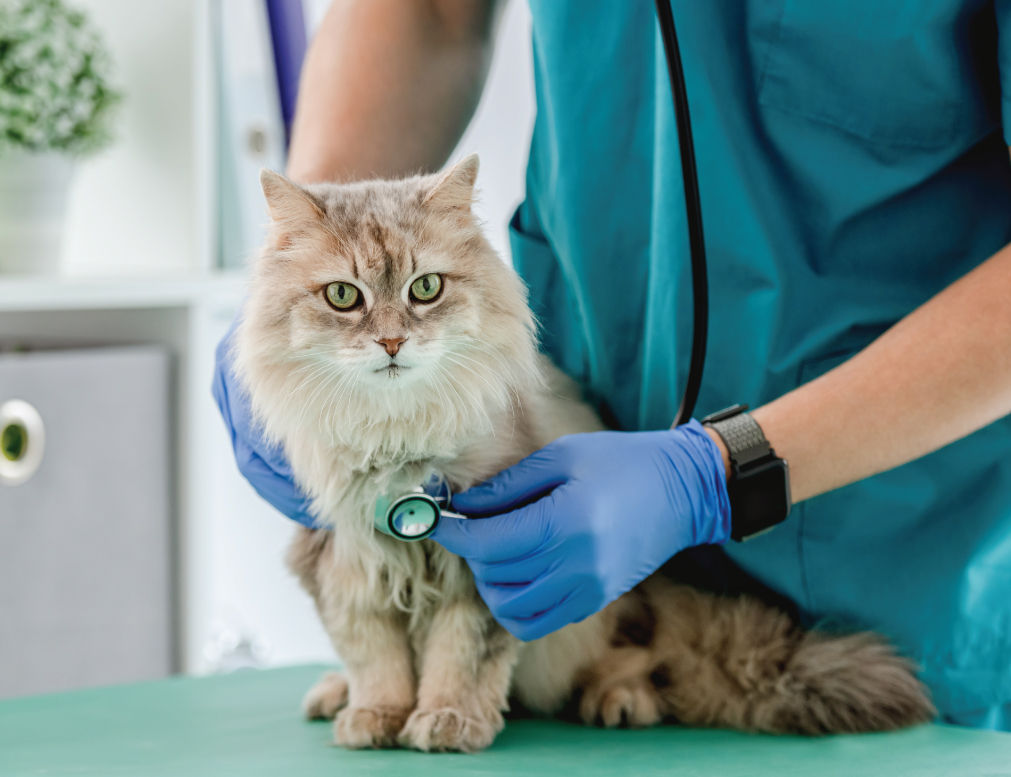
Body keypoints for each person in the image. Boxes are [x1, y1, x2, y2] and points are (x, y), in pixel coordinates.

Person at [213, 1, 1011, 730]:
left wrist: (712, 475)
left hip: (899, 531)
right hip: (569, 499)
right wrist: (300, 264)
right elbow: (428, 12)